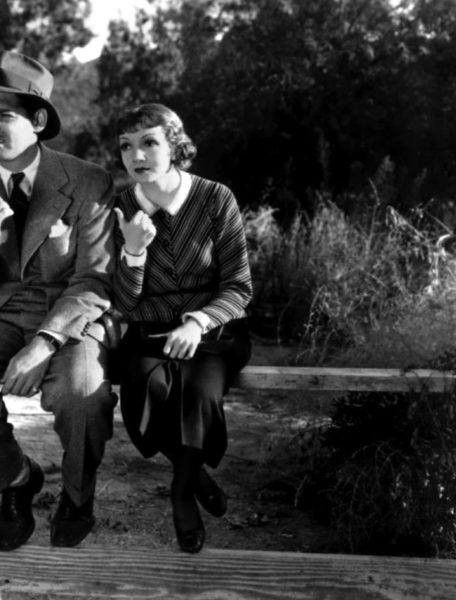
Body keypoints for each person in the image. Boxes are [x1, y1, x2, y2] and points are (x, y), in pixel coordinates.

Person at [0, 51, 117, 551]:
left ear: (37, 121)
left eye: (4, 115)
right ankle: (14, 478)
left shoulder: (89, 181)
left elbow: (94, 279)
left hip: (70, 317)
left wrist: (44, 344)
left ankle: (77, 496)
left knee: (83, 392)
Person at [112, 103, 252, 553]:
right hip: (148, 331)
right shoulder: (119, 208)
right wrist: (134, 252)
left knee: (200, 393)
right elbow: (123, 303)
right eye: (126, 146)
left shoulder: (215, 198)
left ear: (175, 146)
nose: (136, 155)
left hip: (214, 331)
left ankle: (181, 493)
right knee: (142, 393)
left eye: (149, 142)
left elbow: (239, 286)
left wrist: (197, 322)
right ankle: (197, 476)